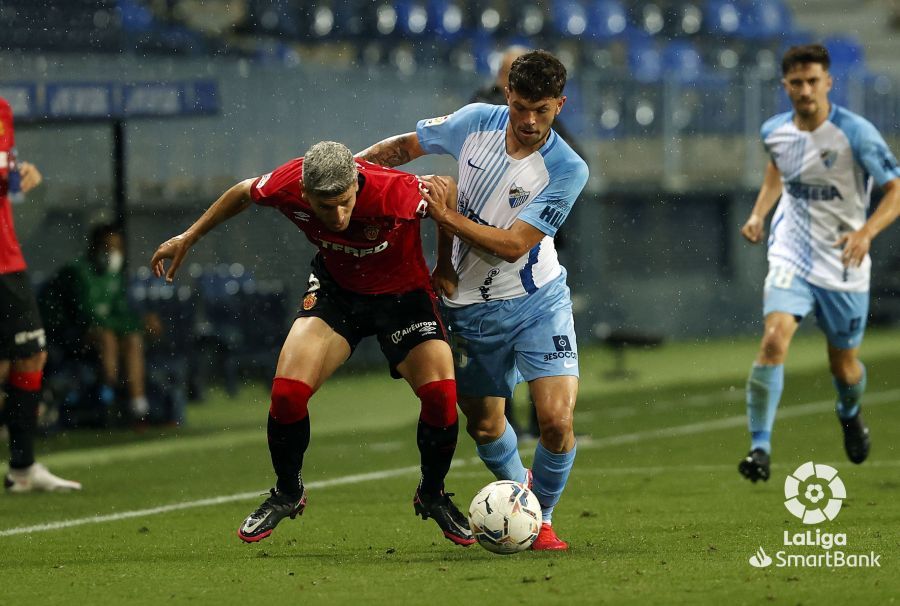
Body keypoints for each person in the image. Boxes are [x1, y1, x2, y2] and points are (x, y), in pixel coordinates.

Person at [150, 141, 474, 546]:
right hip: (338, 294)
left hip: (403, 298)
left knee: (442, 398)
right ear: (304, 194)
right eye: (325, 207)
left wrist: (443, 265)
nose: (338, 215)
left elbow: (447, 199)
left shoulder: (396, 191)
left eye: (345, 202)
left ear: (357, 183)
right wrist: (189, 236)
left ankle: (433, 494)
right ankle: (288, 492)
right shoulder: (287, 183)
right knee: (286, 395)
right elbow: (242, 191)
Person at [358, 50, 589, 550]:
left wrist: (444, 216)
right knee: (486, 427)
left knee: (556, 422)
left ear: (560, 105)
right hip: (467, 307)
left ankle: (540, 519)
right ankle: (521, 499)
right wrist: (352, 172)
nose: (528, 120)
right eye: (521, 106)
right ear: (507, 93)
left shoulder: (568, 170)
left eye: (542, 110)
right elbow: (403, 146)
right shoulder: (472, 122)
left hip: (537, 300)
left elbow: (512, 247)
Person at [737, 44, 900, 483]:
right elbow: (779, 168)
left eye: (813, 81)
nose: (805, 89)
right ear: (785, 85)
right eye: (797, 82)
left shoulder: (856, 133)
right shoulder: (774, 130)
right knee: (773, 340)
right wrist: (759, 213)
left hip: (844, 261)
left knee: (843, 366)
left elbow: (895, 191)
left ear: (828, 82)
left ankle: (849, 412)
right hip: (791, 251)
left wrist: (866, 233)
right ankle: (760, 448)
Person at [0, 96, 81, 492]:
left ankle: (22, 468)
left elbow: (8, 182)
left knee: (29, 353)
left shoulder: (3, 110)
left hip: (7, 258)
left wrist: (20, 172)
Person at [41, 223, 151, 424]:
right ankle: (108, 400)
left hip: (99, 333)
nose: (113, 253)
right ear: (94, 247)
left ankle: (138, 406)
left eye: (117, 248)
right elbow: (87, 317)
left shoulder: (115, 275)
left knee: (133, 340)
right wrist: (130, 324)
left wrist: (137, 324)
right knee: (107, 338)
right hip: (65, 334)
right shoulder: (77, 272)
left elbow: (121, 311)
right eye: (107, 247)